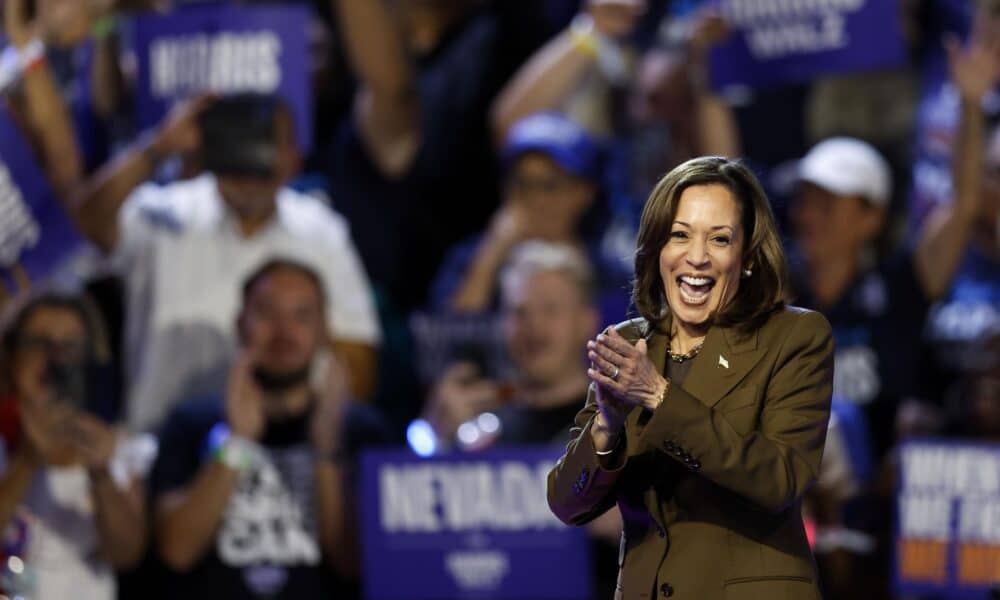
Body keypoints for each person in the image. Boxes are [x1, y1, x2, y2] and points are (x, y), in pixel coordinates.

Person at [547, 156, 834, 599]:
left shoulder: (794, 337)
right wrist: (606, 428)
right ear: (657, 249)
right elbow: (567, 503)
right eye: (679, 235)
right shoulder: (629, 344)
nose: (696, 258)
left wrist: (659, 396)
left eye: (719, 239)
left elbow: (780, 479)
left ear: (748, 256)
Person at [69, 93, 381, 431]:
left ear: (294, 158)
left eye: (266, 142)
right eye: (236, 140)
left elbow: (357, 358)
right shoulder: (162, 212)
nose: (249, 158)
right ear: (209, 148)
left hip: (280, 447)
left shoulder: (321, 230)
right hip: (156, 443)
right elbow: (82, 229)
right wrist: (158, 147)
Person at [149, 259, 388, 598]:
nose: (284, 332)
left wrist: (325, 449)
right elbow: (176, 550)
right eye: (267, 314)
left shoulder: (361, 431)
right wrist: (238, 444)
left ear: (324, 331)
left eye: (301, 317)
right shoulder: (192, 424)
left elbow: (355, 564)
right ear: (240, 324)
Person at [0, 292, 152, 600]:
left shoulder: (113, 444)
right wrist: (27, 461)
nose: (55, 359)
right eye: (38, 343)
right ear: (11, 355)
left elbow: (125, 554)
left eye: (70, 345)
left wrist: (102, 475)